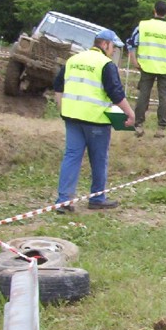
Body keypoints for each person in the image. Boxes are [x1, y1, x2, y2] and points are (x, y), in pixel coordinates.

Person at [53, 29, 135, 213]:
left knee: (71, 156)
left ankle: (64, 201)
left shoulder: (73, 59)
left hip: (72, 117)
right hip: (95, 120)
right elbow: (116, 93)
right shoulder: (106, 64)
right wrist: (130, 114)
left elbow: (58, 86)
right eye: (113, 46)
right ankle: (97, 198)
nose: (113, 51)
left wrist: (61, 107)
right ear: (105, 44)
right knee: (99, 158)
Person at [127, 0, 166, 138]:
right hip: (165, 69)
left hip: (146, 66)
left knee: (143, 95)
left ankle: (138, 125)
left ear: (154, 10)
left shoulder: (143, 26)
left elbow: (131, 43)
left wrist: (134, 61)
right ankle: (161, 128)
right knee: (163, 98)